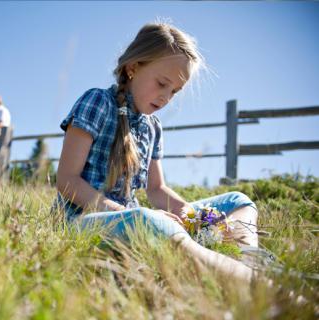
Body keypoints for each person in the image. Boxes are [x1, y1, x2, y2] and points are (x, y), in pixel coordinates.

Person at [55, 22, 260, 283]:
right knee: (146, 220)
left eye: (174, 91)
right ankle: (251, 283)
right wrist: (124, 213)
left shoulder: (152, 126)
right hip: (81, 221)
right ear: (133, 67)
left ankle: (247, 259)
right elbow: (67, 180)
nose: (166, 98)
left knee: (237, 200)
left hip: (137, 217)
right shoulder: (97, 102)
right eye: (162, 83)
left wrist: (195, 217)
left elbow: (156, 189)